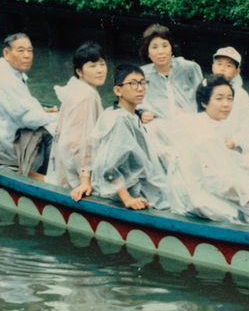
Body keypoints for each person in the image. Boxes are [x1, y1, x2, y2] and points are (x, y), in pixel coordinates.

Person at [168, 75, 249, 225]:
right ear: (204, 102)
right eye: (219, 98)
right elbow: (214, 179)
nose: (226, 104)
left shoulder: (205, 124)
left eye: (230, 99)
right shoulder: (204, 132)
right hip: (197, 199)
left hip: (194, 193)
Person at [90, 64, 169, 210]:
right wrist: (128, 200)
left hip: (141, 185)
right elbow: (108, 167)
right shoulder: (119, 119)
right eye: (132, 83)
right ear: (118, 90)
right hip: (131, 192)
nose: (140, 88)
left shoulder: (131, 116)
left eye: (142, 82)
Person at [0, 33, 57, 174]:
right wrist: (57, 119)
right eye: (21, 51)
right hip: (2, 152)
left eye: (30, 50)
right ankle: (50, 177)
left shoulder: (6, 73)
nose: (27, 55)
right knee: (56, 133)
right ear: (6, 53)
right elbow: (27, 117)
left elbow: (21, 106)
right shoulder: (6, 79)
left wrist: (42, 111)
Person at [45, 42, 107, 201]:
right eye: (92, 66)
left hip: (64, 166)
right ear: (80, 71)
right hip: (76, 175)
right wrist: (85, 180)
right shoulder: (87, 96)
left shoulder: (76, 88)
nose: (100, 70)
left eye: (102, 64)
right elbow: (79, 142)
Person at [139, 24, 203, 120]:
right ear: (147, 52)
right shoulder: (141, 74)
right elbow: (131, 103)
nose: (161, 51)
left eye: (165, 46)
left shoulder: (189, 68)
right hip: (159, 126)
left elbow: (205, 96)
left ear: (171, 48)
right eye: (154, 47)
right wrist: (141, 114)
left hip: (190, 124)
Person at [210, 46, 249, 149]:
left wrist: (235, 141)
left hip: (229, 147)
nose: (222, 68)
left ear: (237, 71)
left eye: (228, 66)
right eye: (219, 64)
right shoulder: (204, 89)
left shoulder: (241, 95)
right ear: (213, 66)